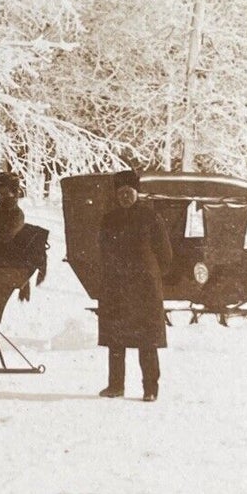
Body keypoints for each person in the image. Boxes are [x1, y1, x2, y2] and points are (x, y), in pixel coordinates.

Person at [96, 169, 173, 402]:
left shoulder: (151, 217)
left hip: (144, 289)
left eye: (129, 192)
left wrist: (153, 276)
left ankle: (150, 389)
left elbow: (165, 254)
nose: (125, 197)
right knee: (115, 340)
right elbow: (103, 252)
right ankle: (115, 386)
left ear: (137, 193)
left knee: (147, 341)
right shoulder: (109, 219)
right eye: (121, 193)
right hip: (116, 287)